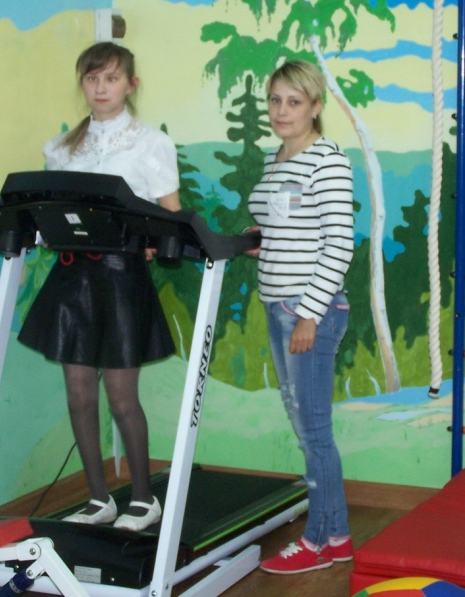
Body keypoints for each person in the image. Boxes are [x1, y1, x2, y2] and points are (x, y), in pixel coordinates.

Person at [18, 42, 181, 532]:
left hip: (121, 278)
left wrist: (153, 240)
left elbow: (171, 218)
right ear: (83, 85)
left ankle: (143, 499)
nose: (100, 88)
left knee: (122, 397)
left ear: (130, 85)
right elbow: (51, 216)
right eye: (92, 79)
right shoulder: (61, 148)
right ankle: (97, 499)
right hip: (73, 279)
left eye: (111, 78)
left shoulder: (152, 144)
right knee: (79, 393)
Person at [245, 60, 354, 574]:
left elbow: (339, 245)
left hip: (308, 310)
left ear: (315, 106)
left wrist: (309, 315)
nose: (281, 111)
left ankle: (317, 542)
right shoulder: (276, 158)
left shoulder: (326, 161)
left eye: (294, 102)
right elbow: (288, 225)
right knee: (306, 428)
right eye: (275, 100)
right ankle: (338, 538)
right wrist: (259, 241)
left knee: (313, 433)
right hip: (278, 304)